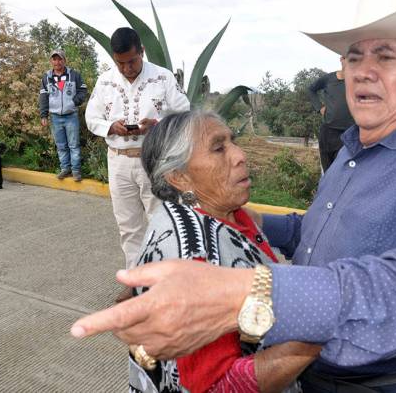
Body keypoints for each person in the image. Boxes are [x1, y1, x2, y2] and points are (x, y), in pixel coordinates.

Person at [71, 0, 396, 392]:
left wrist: (251, 292)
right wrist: (258, 224)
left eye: (386, 56)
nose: (363, 73)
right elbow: (324, 234)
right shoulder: (356, 147)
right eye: (354, 58)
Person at [127, 110, 320, 392]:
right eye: (219, 148)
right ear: (179, 177)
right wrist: (318, 332)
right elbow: (218, 385)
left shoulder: (223, 213)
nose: (240, 155)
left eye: (233, 141)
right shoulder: (195, 264)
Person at [85, 27, 190, 269]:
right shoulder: (105, 81)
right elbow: (91, 119)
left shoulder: (163, 77)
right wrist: (111, 126)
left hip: (154, 160)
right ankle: (136, 280)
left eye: (131, 61)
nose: (126, 68)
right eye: (120, 63)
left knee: (161, 220)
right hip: (119, 161)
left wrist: (158, 125)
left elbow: (185, 112)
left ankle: (164, 279)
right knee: (128, 226)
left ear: (142, 51)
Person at [39, 49, 88, 181]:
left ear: (64, 60)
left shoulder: (74, 75)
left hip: (71, 115)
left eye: (60, 59)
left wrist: (74, 102)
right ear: (51, 61)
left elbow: (83, 90)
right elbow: (43, 97)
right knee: (61, 145)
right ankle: (65, 169)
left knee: (73, 145)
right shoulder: (46, 77)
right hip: (55, 117)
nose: (57, 62)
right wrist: (43, 115)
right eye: (54, 59)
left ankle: (76, 171)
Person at [308, 57, 355, 171]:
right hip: (327, 133)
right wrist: (319, 107)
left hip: (347, 134)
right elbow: (311, 90)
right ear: (342, 59)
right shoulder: (328, 79)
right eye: (347, 58)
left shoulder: (357, 81)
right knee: (327, 172)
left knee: (342, 171)